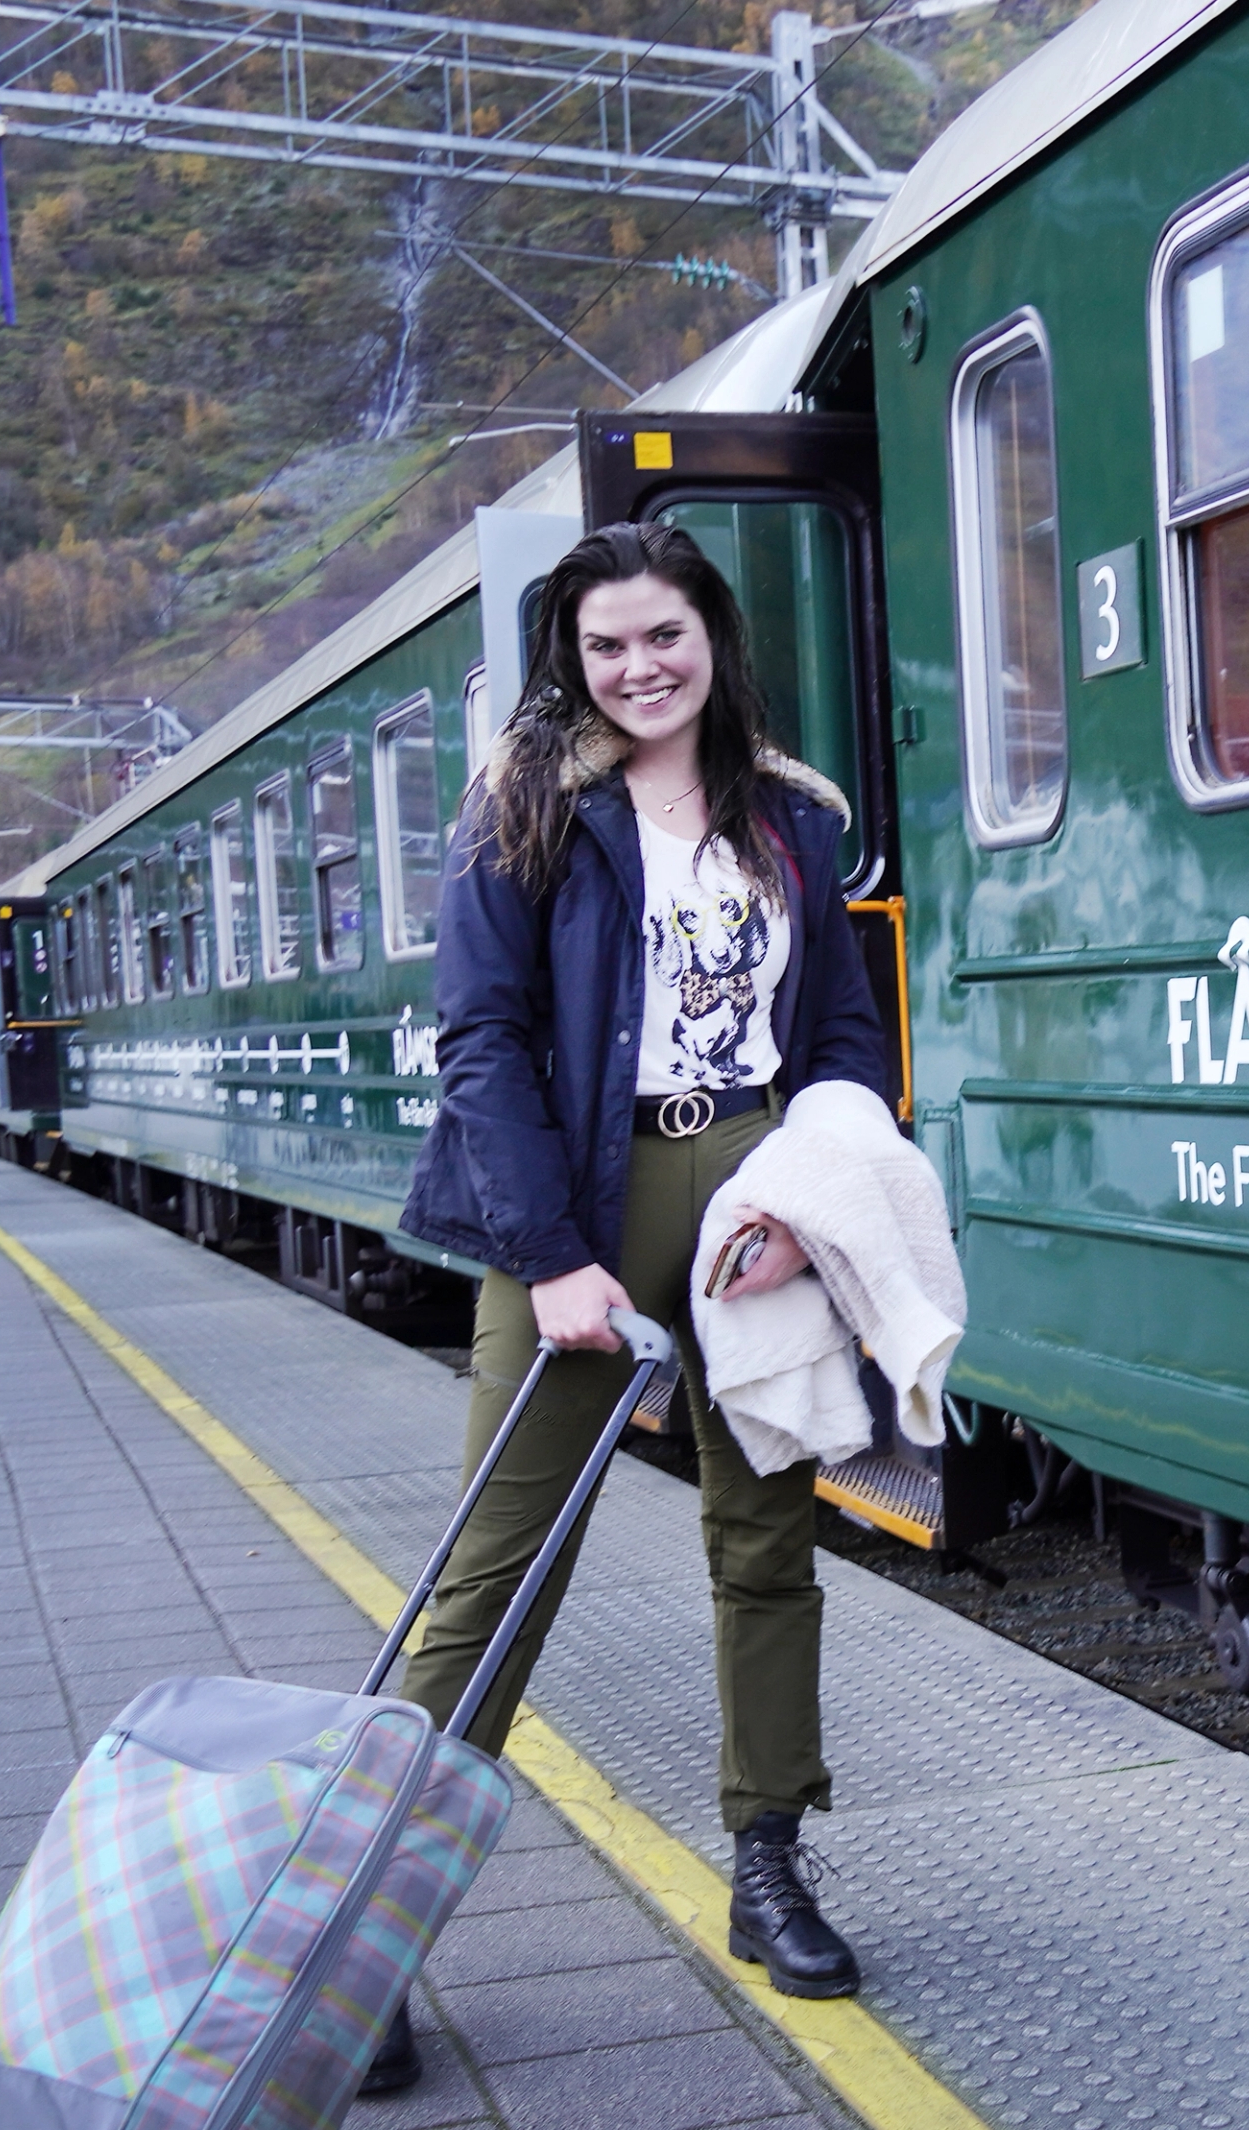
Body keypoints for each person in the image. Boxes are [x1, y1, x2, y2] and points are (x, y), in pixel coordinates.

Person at [375, 521, 894, 2094]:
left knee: (769, 1542)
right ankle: (363, 1929)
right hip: (580, 1209)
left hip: (754, 1202)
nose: (636, 667)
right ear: (571, 659)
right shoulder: (529, 806)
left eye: (662, 635)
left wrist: (808, 1210)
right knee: (494, 1572)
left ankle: (770, 1864)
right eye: (604, 645)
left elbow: (852, 1042)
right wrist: (546, 1257)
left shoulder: (791, 821)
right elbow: (482, 1039)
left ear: (715, 638)